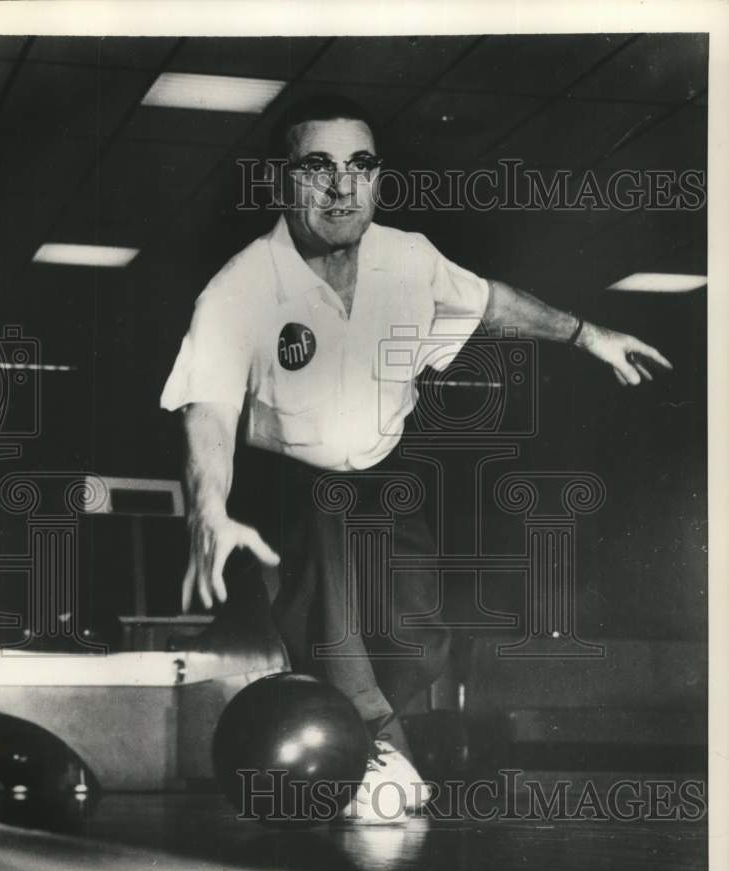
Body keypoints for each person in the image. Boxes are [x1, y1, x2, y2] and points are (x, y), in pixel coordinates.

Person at [161, 95, 672, 823]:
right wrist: (209, 507)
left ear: (376, 179)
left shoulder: (409, 258)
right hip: (289, 481)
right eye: (318, 168)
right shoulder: (240, 288)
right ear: (283, 182)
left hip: (387, 474)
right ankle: (372, 754)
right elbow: (206, 406)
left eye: (360, 167)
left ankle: (348, 726)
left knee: (422, 642)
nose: (342, 188)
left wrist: (586, 333)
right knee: (335, 616)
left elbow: (492, 303)